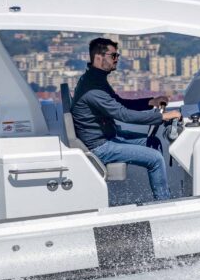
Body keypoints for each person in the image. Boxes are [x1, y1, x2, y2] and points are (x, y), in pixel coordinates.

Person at [71, 37, 180, 201]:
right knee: (156, 159)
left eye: (117, 56)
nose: (117, 60)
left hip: (109, 135)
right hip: (100, 146)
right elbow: (123, 115)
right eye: (113, 56)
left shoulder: (97, 79)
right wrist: (162, 116)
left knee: (153, 143)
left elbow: (120, 102)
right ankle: (164, 204)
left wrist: (150, 102)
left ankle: (161, 195)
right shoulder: (92, 89)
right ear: (99, 58)